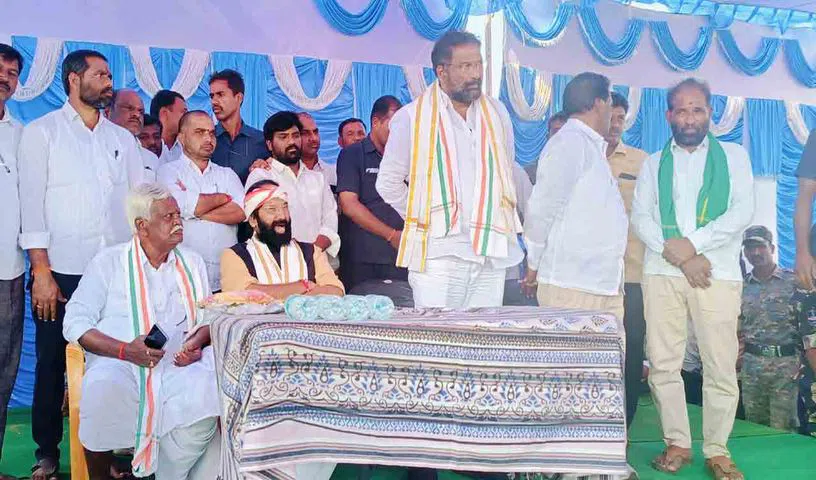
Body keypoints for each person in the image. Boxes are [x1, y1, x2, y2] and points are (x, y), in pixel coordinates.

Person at [18, 49, 144, 480]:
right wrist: (41, 271)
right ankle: (47, 454)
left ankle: (118, 452)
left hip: (115, 272)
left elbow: (138, 204)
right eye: (100, 75)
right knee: (53, 362)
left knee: (118, 359)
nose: (109, 82)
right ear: (74, 79)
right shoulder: (42, 133)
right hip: (60, 272)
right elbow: (31, 207)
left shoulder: (122, 140)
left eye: (109, 75)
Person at [631, 78, 754, 479]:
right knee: (664, 363)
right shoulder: (653, 163)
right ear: (669, 115)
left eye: (697, 109)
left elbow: (742, 211)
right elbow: (641, 217)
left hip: (716, 273)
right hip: (662, 272)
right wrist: (681, 255)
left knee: (720, 363)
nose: (689, 118)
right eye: (681, 110)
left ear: (709, 113)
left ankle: (717, 449)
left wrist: (693, 246)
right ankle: (677, 442)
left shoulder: (734, 156)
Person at [63, 183, 220, 479]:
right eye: (168, 216)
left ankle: (167, 474)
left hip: (177, 364)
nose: (178, 222)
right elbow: (75, 322)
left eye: (178, 214)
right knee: (102, 391)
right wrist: (125, 350)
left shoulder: (192, 262)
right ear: (141, 226)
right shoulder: (108, 262)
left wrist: (196, 343)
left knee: (209, 394)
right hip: (118, 361)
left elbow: (209, 317)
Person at [376, 30, 522, 308]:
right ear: (441, 71)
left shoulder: (498, 113)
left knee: (484, 334)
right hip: (439, 257)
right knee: (438, 334)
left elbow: (507, 167)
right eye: (465, 66)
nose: (475, 74)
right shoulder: (411, 118)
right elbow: (388, 183)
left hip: (490, 252)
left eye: (478, 64)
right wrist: (425, 215)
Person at [523, 73, 626, 327]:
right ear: (598, 103)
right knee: (569, 355)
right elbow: (540, 210)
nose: (611, 111)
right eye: (610, 102)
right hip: (572, 286)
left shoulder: (591, 146)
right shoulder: (569, 143)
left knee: (607, 355)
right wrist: (533, 265)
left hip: (601, 285)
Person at [158, 111, 245, 293]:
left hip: (226, 278)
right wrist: (222, 198)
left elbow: (240, 212)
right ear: (181, 138)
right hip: (183, 277)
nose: (208, 138)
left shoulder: (227, 174)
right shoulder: (168, 171)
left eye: (212, 133)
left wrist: (193, 211)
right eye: (199, 132)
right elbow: (179, 205)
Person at [605, 91, 649, 427]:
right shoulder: (582, 158)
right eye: (610, 117)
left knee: (632, 350)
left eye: (621, 118)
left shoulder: (641, 161)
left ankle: (625, 424)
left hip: (632, 274)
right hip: (592, 278)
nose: (616, 124)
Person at [220, 180, 344, 297]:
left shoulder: (311, 251)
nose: (282, 216)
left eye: (285, 207)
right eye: (272, 209)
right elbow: (243, 294)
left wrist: (286, 296)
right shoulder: (235, 255)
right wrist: (302, 286)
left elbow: (336, 290)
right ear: (253, 220)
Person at [246, 111, 341, 261]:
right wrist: (296, 260)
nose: (291, 141)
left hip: (318, 261)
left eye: (296, 135)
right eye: (283, 137)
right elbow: (262, 225)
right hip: (277, 263)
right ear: (269, 144)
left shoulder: (318, 179)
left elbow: (330, 223)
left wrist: (311, 254)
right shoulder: (262, 176)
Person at [336, 95, 407, 291]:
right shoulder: (352, 154)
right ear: (376, 122)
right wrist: (391, 235)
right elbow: (349, 205)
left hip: (402, 257)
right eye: (393, 127)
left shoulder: (405, 156)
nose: (399, 134)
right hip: (364, 260)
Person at [738, 225, 799, 431]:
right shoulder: (741, 286)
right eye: (750, 248)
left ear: (772, 248)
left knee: (783, 430)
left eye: (761, 246)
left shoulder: (793, 281)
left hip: (786, 367)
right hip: (752, 368)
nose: (755, 252)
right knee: (754, 428)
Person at [0, 42, 23, 480]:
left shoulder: (21, 135)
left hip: (9, 272)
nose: (4, 78)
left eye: (12, 72)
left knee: (3, 372)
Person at [209, 69, 270, 184]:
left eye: (220, 95)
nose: (214, 102)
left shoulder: (261, 141)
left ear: (239, 98)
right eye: (212, 96)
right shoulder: (207, 140)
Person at [106, 88, 159, 182]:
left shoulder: (151, 158)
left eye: (141, 112)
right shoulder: (96, 147)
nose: (137, 115)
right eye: (129, 108)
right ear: (108, 112)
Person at [524, 111, 568, 184]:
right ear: (548, 137)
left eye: (564, 132)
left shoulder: (582, 170)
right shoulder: (531, 172)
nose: (560, 137)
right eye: (556, 132)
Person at [298, 112, 337, 189]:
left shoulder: (333, 173)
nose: (314, 138)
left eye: (315, 132)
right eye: (305, 133)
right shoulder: (284, 173)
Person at [150, 89, 187, 165]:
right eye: (183, 112)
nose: (187, 117)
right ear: (164, 113)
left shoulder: (187, 148)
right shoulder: (145, 146)